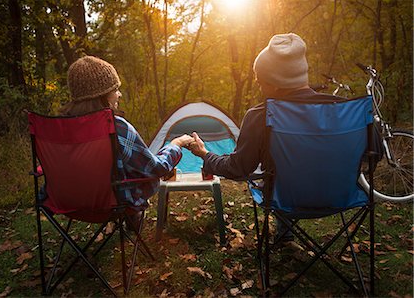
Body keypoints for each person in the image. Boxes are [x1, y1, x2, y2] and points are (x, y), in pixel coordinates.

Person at [188, 33, 334, 245]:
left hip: (286, 199)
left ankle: (285, 234)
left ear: (275, 84)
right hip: (338, 197)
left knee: (276, 180)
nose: (258, 87)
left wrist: (204, 154)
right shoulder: (341, 109)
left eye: (260, 82)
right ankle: (286, 235)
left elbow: (238, 169)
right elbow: (372, 153)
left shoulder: (261, 116)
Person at [57, 56, 193, 222]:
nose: (119, 95)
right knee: (136, 173)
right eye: (115, 90)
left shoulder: (60, 127)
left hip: (67, 202)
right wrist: (176, 144)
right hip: (113, 205)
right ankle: (133, 218)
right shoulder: (115, 127)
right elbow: (155, 169)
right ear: (102, 95)